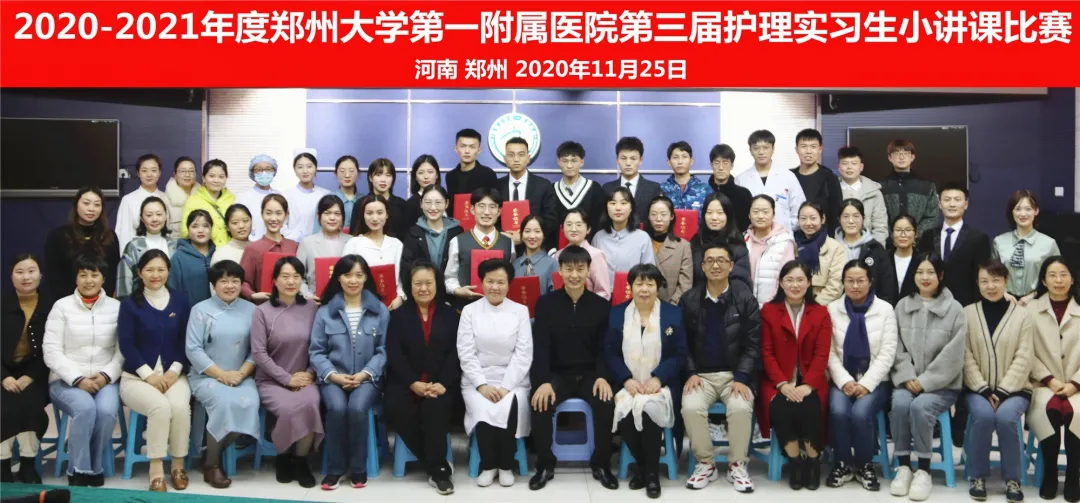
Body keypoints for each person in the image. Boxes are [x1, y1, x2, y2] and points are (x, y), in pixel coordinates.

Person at [528, 246, 617, 491]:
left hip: (590, 374)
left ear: (589, 270)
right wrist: (543, 381)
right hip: (558, 375)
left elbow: (606, 347)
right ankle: (545, 464)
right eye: (569, 269)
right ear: (560, 270)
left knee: (605, 402)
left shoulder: (600, 305)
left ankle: (601, 463)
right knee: (539, 402)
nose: (574, 275)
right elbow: (541, 347)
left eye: (580, 269)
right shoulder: (546, 304)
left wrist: (603, 376)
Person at [678, 245, 760, 493]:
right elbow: (682, 344)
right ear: (702, 266)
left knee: (740, 407)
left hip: (735, 375)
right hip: (701, 376)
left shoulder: (745, 298)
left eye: (721, 260)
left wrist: (742, 377)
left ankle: (737, 464)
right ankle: (706, 463)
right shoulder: (689, 300)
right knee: (690, 407)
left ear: (731, 266)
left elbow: (753, 344)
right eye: (710, 261)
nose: (715, 265)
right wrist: (691, 372)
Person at [889, 253, 966, 501]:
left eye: (931, 272)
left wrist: (925, 382)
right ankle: (903, 466)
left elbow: (953, 355)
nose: (925, 277)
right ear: (913, 275)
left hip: (942, 385)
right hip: (907, 381)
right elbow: (895, 346)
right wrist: (908, 376)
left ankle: (923, 470)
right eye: (920, 272)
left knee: (921, 407)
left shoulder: (955, 309)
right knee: (900, 404)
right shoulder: (902, 306)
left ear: (940, 275)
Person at [309, 254, 390, 490]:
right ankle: (335, 469)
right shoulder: (325, 312)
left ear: (366, 278)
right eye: (347, 275)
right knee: (336, 408)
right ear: (338, 278)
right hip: (332, 378)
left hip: (367, 379)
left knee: (356, 408)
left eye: (358, 275)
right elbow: (316, 351)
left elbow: (384, 350)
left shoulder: (380, 310)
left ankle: (358, 468)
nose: (353, 280)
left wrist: (365, 374)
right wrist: (333, 376)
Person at [607, 264, 688, 499]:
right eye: (639, 283)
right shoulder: (617, 314)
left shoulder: (672, 314)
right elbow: (610, 352)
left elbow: (679, 354)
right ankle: (645, 468)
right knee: (626, 410)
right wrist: (626, 379)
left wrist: (659, 377)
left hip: (660, 383)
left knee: (650, 408)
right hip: (628, 382)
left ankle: (651, 475)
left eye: (650, 284)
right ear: (630, 287)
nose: (644, 289)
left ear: (658, 287)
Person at [42, 255, 122, 487]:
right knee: (85, 408)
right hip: (65, 380)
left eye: (94, 275)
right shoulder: (61, 307)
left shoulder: (117, 308)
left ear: (103, 278)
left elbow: (122, 351)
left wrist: (105, 376)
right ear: (75, 278)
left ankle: (94, 467)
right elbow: (51, 351)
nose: (89, 280)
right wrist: (77, 379)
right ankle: (78, 469)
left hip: (105, 379)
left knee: (106, 411)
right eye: (83, 275)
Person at [117, 250, 192, 492]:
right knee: (159, 407)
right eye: (149, 270)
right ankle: (156, 469)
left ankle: (178, 465)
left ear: (168, 271)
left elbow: (186, 340)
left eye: (161, 269)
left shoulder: (180, 301)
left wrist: (174, 371)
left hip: (174, 375)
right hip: (136, 378)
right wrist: (148, 375)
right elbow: (126, 344)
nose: (155, 275)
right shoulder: (129, 304)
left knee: (179, 407)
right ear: (140, 273)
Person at [963, 260, 1035, 503]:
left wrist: (1003, 391)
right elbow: (965, 355)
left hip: (1015, 390)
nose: (990, 286)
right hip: (977, 389)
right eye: (984, 281)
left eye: (996, 280)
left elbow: (1025, 356)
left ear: (1006, 281)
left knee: (1006, 418)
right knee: (983, 416)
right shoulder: (968, 313)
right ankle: (977, 476)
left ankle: (1013, 479)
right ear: (977, 283)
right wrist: (984, 389)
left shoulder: (1023, 316)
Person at [457, 259, 533, 488]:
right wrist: (482, 385)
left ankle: (506, 465)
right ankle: (489, 465)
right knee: (483, 406)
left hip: (513, 380)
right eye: (490, 281)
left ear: (509, 284)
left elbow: (523, 354)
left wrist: (506, 387)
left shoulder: (520, 311)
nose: (495, 287)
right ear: (482, 282)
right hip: (477, 379)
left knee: (510, 405)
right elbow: (466, 352)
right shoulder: (470, 311)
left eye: (501, 282)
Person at [184, 260, 260, 489]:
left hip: (241, 375)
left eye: (235, 281)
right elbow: (193, 349)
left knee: (249, 403)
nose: (230, 286)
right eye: (223, 281)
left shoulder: (252, 310)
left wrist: (241, 374)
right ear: (213, 284)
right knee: (225, 403)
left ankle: (210, 452)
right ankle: (213, 465)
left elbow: (257, 349)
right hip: (206, 376)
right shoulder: (200, 310)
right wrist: (221, 375)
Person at [385, 262, 460, 495]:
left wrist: (443, 383)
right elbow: (394, 354)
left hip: (441, 382)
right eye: (418, 283)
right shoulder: (398, 316)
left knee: (435, 409)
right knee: (398, 407)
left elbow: (457, 353)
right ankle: (437, 466)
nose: (423, 288)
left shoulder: (450, 315)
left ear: (437, 284)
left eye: (429, 283)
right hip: (406, 382)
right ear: (410, 286)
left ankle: (437, 470)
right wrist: (413, 382)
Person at [825, 260, 898, 491]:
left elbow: (888, 353)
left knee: (860, 412)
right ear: (843, 282)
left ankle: (865, 464)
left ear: (870, 282)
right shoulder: (832, 309)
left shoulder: (885, 310)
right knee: (838, 411)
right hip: (841, 380)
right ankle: (843, 463)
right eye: (850, 281)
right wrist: (845, 381)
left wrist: (866, 384)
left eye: (860, 281)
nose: (855, 286)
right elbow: (828, 353)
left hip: (875, 382)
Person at [759, 260, 832, 490]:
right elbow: (766, 352)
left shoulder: (821, 313)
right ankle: (795, 461)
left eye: (800, 280)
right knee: (781, 407)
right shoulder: (769, 311)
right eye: (789, 280)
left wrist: (808, 385)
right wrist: (782, 384)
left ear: (809, 283)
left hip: (811, 381)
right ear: (781, 283)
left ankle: (813, 460)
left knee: (812, 406)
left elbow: (822, 354)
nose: (795, 285)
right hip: (778, 380)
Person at [250, 256, 321, 488]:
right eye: (285, 276)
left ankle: (301, 460)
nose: (291, 281)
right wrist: (287, 379)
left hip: (305, 377)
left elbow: (320, 346)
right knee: (290, 407)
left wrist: (310, 373)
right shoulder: (262, 312)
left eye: (296, 276)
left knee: (311, 403)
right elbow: (259, 353)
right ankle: (282, 456)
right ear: (275, 280)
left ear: (302, 280)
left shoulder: (312, 308)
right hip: (271, 380)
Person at [1026, 257, 1079, 502]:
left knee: (1077, 414)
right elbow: (1025, 350)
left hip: (1077, 385)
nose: (1059, 280)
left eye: (1064, 274)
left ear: (1073, 278)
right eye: (1052, 275)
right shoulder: (1030, 310)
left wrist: (1075, 384)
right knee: (1049, 412)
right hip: (1043, 383)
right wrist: (1049, 379)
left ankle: (1073, 475)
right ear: (1044, 280)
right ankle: (1049, 473)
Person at [1, 254, 54, 484]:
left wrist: (31, 376)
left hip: (36, 374)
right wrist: (3, 377)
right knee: (4, 405)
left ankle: (27, 464)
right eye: (20, 272)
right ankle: (3, 464)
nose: (26, 277)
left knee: (30, 404)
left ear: (40, 275)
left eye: (31, 271)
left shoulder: (52, 305)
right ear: (11, 275)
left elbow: (53, 348)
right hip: (3, 373)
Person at [917, 183, 991, 308]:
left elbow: (980, 276)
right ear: (940, 204)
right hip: (930, 303)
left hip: (965, 305)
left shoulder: (978, 238)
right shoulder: (928, 236)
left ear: (966, 204)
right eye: (947, 200)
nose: (952, 204)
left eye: (957, 200)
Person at [43, 186, 121, 298]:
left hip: (101, 300)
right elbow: (53, 274)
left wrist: (101, 298)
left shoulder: (109, 236)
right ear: (76, 205)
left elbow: (112, 273)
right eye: (86, 203)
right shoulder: (58, 235)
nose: (91, 209)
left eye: (97, 205)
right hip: (66, 300)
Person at [445, 188, 516, 306]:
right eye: (481, 206)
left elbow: (511, 277)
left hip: (499, 308)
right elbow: (450, 277)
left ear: (499, 211)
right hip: (465, 308)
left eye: (492, 207)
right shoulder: (457, 241)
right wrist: (458, 290)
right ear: (472, 209)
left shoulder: (508, 243)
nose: (486, 212)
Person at [992, 190, 1061, 303]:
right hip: (1005, 301)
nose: (1023, 214)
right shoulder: (999, 242)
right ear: (1012, 212)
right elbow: (992, 274)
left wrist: (1032, 296)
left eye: (1028, 209)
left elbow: (1056, 277)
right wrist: (1004, 294)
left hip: (1037, 301)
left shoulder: (1049, 244)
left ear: (1036, 211)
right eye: (1018, 209)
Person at [735, 130, 807, 231]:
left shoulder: (788, 176)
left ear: (773, 149)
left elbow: (800, 210)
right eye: (756, 148)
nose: (761, 152)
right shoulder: (741, 180)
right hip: (751, 237)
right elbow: (738, 214)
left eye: (766, 148)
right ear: (750, 150)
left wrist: (786, 230)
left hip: (783, 236)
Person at [343, 194, 407, 309]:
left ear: (387, 214)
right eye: (369, 213)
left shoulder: (396, 244)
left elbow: (402, 277)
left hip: (395, 306)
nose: (375, 218)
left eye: (380, 212)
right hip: (362, 307)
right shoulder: (353, 244)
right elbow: (345, 276)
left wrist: (400, 297)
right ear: (363, 215)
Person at [497, 137, 558, 252]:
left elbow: (551, 219)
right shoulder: (496, 186)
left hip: (535, 248)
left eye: (521, 154)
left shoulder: (543, 185)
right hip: (503, 246)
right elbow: (492, 217)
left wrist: (527, 235)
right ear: (505, 159)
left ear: (528, 158)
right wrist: (503, 236)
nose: (516, 159)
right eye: (511, 155)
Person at [401, 185, 463, 297]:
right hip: (422, 293)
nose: (433, 208)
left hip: (451, 295)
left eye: (438, 202)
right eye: (428, 202)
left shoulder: (457, 232)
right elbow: (407, 266)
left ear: (447, 203)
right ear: (421, 204)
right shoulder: (413, 233)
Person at [836, 199, 899, 305]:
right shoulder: (831, 246)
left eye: (856, 216)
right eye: (845, 216)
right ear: (839, 219)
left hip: (872, 308)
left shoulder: (875, 248)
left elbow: (887, 286)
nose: (851, 221)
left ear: (863, 219)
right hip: (837, 308)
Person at [240, 194, 299, 303]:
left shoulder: (294, 246)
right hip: (263, 306)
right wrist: (252, 295)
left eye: (278, 213)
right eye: (268, 213)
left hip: (292, 306)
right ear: (262, 214)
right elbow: (242, 281)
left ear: (286, 215)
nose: (273, 218)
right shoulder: (252, 249)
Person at [591, 187, 656, 284]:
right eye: (613, 203)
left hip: (631, 292)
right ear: (606, 208)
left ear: (631, 208)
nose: (618, 208)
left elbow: (649, 274)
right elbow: (592, 271)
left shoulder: (643, 238)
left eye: (623, 203)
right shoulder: (598, 237)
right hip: (602, 292)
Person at [117, 196, 179, 298]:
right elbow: (124, 281)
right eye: (149, 215)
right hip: (140, 302)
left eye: (159, 214)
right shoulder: (133, 246)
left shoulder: (175, 245)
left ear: (165, 216)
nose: (154, 219)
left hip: (171, 301)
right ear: (142, 219)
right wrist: (126, 304)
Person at [880, 140, 939, 240]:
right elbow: (877, 217)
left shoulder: (927, 186)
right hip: (889, 243)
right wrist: (894, 234)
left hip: (920, 243)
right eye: (897, 153)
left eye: (906, 153)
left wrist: (914, 234)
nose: (901, 157)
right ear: (890, 158)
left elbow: (932, 217)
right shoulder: (881, 187)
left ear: (912, 157)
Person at [690, 192, 751, 287]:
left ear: (728, 215)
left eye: (720, 213)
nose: (714, 217)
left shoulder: (738, 245)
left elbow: (742, 282)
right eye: (709, 213)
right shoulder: (695, 242)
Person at [745, 195, 796, 306]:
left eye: (765, 212)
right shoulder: (744, 241)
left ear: (773, 214)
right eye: (756, 212)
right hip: (746, 306)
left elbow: (787, 276)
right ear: (749, 215)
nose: (760, 216)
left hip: (774, 306)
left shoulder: (784, 242)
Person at [297, 195, 351, 299]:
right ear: (319, 216)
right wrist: (307, 295)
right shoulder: (307, 243)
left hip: (346, 301)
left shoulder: (352, 241)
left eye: (337, 214)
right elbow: (298, 276)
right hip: (315, 300)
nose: (332, 218)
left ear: (343, 217)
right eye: (327, 213)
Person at [791, 130, 843, 236]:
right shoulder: (789, 177)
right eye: (804, 146)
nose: (808, 151)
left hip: (822, 238)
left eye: (813, 146)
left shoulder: (830, 178)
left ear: (820, 149)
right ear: (796, 149)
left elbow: (835, 214)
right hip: (792, 237)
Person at [553, 209, 611, 300]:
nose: (573, 229)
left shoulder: (596, 255)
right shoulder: (558, 255)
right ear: (563, 229)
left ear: (588, 229)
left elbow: (603, 292)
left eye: (579, 225)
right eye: (569, 224)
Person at [552, 141, 607, 239]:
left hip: (589, 246)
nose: (569, 166)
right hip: (557, 247)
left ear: (582, 162)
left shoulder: (594, 189)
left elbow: (600, 222)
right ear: (558, 162)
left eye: (574, 161)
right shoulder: (551, 190)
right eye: (565, 161)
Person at [795, 202, 846, 306]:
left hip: (823, 306)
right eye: (803, 218)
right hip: (794, 304)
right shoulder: (792, 245)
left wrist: (814, 307)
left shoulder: (835, 248)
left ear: (822, 219)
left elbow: (835, 286)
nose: (808, 223)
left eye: (813, 218)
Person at [602, 137, 663, 223]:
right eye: (623, 158)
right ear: (617, 160)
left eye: (633, 158)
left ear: (640, 160)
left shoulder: (654, 188)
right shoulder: (607, 188)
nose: (628, 163)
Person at [116, 153, 168, 252]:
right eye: (144, 170)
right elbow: (123, 235)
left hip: (163, 251)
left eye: (153, 170)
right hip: (138, 253)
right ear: (138, 173)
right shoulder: (128, 200)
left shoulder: (166, 198)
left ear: (159, 173)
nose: (149, 174)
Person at [836, 146, 888, 246]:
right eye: (845, 163)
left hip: (867, 247)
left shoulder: (874, 192)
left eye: (854, 163)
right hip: (837, 248)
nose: (849, 167)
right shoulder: (830, 190)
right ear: (839, 167)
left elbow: (880, 227)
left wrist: (875, 251)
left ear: (861, 167)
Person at [646, 195, 692, 303]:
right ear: (648, 216)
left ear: (671, 216)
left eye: (663, 214)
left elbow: (685, 284)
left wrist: (672, 305)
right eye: (654, 214)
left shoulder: (683, 246)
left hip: (671, 304)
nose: (658, 219)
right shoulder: (642, 242)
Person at [445, 128, 498, 220]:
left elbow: (495, 204)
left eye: (472, 147)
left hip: (481, 224)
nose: (467, 151)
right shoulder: (450, 176)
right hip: (455, 225)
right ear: (456, 148)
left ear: (479, 150)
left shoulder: (488, 174)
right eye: (463, 146)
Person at [181, 159, 235, 247]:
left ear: (226, 178)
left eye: (221, 177)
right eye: (212, 176)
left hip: (229, 250)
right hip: (205, 250)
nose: (216, 180)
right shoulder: (193, 201)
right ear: (203, 178)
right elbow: (185, 231)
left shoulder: (233, 199)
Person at [168, 210, 216, 305]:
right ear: (188, 230)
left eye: (205, 226)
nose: (200, 230)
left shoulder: (218, 254)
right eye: (195, 226)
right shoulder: (178, 258)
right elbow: (172, 290)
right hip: (189, 312)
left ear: (211, 229)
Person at [354, 158, 410, 239]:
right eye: (378, 175)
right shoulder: (360, 204)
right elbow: (354, 233)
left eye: (388, 175)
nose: (383, 180)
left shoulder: (402, 205)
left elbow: (407, 236)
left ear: (393, 179)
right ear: (370, 177)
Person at [283, 151, 331, 242]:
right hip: (294, 243)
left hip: (321, 243)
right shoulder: (286, 196)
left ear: (315, 168)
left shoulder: (325, 195)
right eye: (300, 167)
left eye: (309, 166)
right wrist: (298, 237)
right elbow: (281, 225)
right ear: (294, 170)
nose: (305, 171)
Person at [706, 144, 753, 233]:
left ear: (732, 165)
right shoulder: (704, 192)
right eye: (717, 163)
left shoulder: (743, 194)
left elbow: (748, 226)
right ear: (711, 165)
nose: (721, 168)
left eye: (725, 163)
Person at [234, 154, 280, 241]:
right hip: (249, 244)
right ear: (253, 173)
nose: (264, 173)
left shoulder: (280, 197)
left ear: (274, 171)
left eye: (268, 169)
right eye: (259, 170)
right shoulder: (242, 198)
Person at [511, 216, 556, 295]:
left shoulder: (553, 264)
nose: (532, 236)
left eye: (537, 231)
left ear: (543, 235)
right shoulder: (514, 264)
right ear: (521, 234)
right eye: (527, 231)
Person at [660, 141, 710, 211]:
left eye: (684, 157)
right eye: (675, 157)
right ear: (669, 162)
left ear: (691, 161)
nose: (680, 162)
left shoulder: (705, 189)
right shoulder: (661, 189)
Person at [402, 154, 441, 231]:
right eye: (421, 173)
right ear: (415, 177)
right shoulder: (410, 204)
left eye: (430, 172)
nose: (426, 176)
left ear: (437, 175)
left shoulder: (444, 200)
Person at [164, 156, 199, 235]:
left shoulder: (203, 197)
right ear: (175, 174)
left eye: (191, 171)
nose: (187, 175)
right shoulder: (165, 200)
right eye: (183, 171)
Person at [889, 214, 920, 300]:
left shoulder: (922, 261)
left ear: (916, 233)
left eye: (908, 230)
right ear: (892, 233)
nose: (903, 235)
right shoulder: (884, 259)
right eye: (898, 230)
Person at [330, 155, 363, 231]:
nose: (347, 175)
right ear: (336, 173)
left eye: (351, 171)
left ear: (358, 173)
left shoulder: (364, 200)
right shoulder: (329, 199)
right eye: (342, 171)